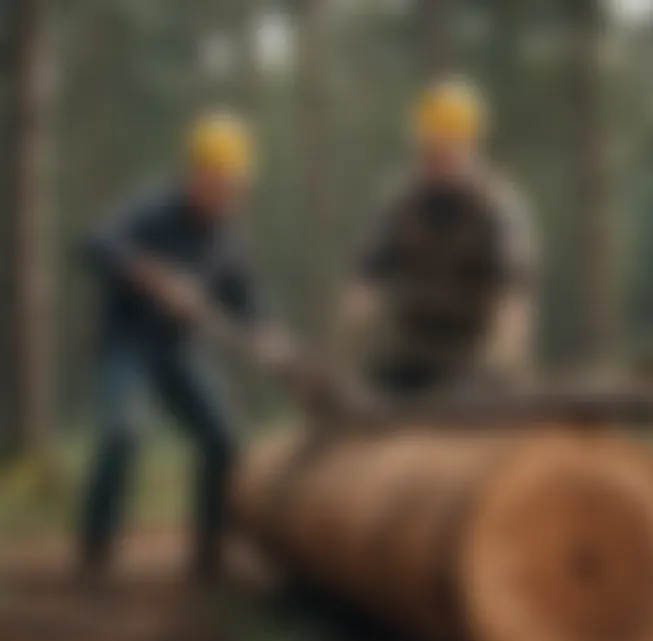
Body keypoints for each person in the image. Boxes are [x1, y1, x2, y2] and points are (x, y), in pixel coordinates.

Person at [79, 112, 293, 581]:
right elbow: (96, 244)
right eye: (220, 180)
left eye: (234, 184)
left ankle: (208, 555)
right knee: (123, 431)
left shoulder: (226, 236)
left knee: (223, 439)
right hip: (129, 344)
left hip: (177, 354)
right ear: (196, 172)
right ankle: (96, 552)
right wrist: (155, 278)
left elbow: (247, 300)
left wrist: (268, 337)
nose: (228, 192)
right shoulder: (152, 210)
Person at [341, 78, 538, 401]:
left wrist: (506, 347)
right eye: (430, 147)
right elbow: (368, 273)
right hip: (414, 353)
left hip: (471, 356)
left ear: (469, 146)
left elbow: (513, 288)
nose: (436, 157)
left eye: (446, 147)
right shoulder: (401, 206)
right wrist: (356, 322)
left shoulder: (496, 208)